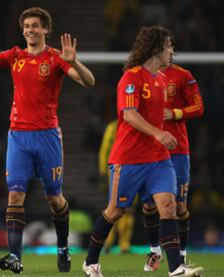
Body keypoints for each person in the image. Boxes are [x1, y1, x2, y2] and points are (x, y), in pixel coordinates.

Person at [0, 7, 95, 273]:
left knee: (54, 199)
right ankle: (14, 255)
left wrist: (75, 61)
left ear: (46, 29)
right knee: (15, 195)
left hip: (47, 137)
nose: (30, 30)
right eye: (27, 26)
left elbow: (88, 82)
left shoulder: (56, 58)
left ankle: (62, 247)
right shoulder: (15, 55)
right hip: (18, 136)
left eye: (35, 25)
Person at [82, 26, 203, 277]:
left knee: (168, 206)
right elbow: (129, 115)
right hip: (129, 158)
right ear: (156, 47)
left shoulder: (160, 79)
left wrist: (165, 133)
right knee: (115, 211)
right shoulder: (131, 78)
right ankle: (91, 261)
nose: (172, 50)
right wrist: (159, 133)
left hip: (158, 158)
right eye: (169, 45)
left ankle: (176, 269)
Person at [142, 62, 204, 271]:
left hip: (177, 149)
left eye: (168, 46)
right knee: (149, 205)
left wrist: (175, 113)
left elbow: (198, 107)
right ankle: (154, 252)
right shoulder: (142, 74)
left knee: (178, 207)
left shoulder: (183, 75)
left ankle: (182, 256)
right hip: (149, 148)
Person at [99, 119, 135, 254]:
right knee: (119, 208)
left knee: (122, 208)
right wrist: (103, 172)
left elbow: (104, 149)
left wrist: (103, 171)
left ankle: (116, 243)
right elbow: (104, 150)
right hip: (120, 169)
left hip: (131, 169)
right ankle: (118, 243)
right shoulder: (114, 127)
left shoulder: (113, 126)